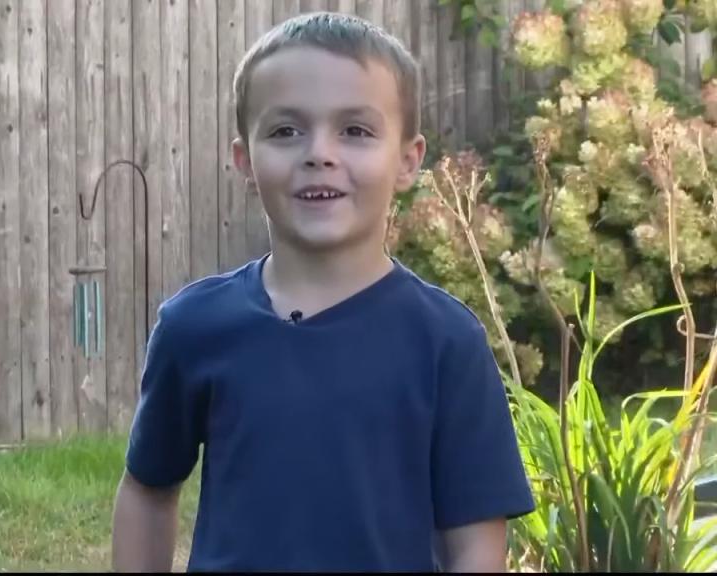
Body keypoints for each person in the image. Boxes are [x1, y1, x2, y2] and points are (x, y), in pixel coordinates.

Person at [111, 11, 535, 573]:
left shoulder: (446, 342)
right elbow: (147, 490)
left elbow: (475, 543)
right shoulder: (194, 328)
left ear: (408, 161)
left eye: (355, 130)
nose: (320, 153)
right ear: (245, 160)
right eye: (286, 130)